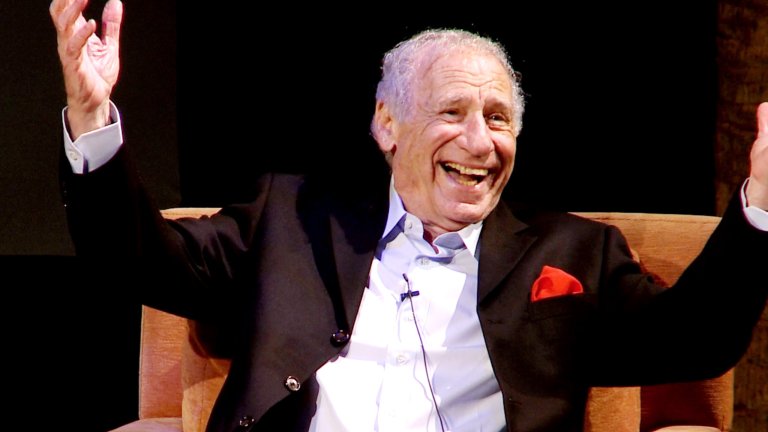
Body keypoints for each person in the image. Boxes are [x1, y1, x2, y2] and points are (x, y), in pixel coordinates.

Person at [51, 1, 768, 431]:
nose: (480, 142)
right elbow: (137, 260)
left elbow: (694, 341)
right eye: (452, 112)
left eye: (498, 118)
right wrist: (91, 118)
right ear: (388, 125)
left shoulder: (575, 252)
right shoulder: (293, 220)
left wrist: (761, 203)